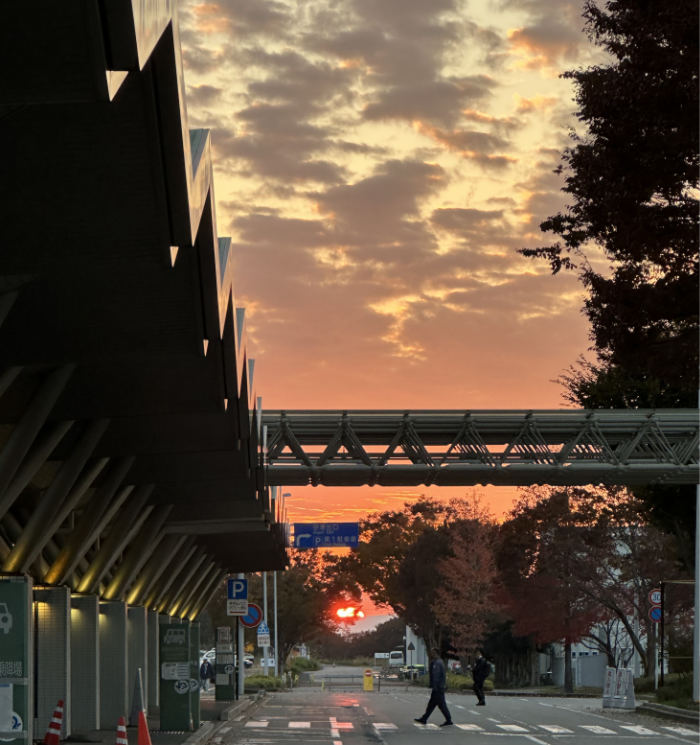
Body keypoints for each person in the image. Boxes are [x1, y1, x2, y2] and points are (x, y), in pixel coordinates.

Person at [414, 647, 453, 727]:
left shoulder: (437, 663)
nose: (431, 654)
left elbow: (436, 676)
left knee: (441, 705)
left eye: (432, 653)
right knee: (432, 704)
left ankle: (448, 720)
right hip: (439, 687)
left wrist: (434, 686)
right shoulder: (438, 662)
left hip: (438, 688)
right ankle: (424, 718)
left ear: (436, 653)